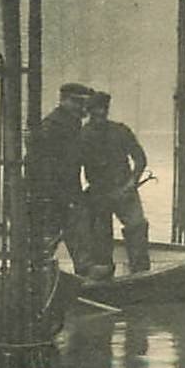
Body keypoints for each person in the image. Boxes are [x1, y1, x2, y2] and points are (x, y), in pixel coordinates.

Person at [78, 90, 151, 277]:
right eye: (96, 110)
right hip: (99, 193)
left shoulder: (121, 131)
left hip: (125, 190)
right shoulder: (82, 136)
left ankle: (141, 273)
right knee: (101, 236)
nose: (100, 114)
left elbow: (140, 159)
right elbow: (73, 166)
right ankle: (104, 276)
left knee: (137, 227)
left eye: (103, 109)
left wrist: (132, 183)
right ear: (89, 112)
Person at [27, 83, 94, 275]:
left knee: (75, 237)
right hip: (53, 194)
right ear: (64, 101)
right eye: (78, 103)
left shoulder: (71, 125)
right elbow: (41, 163)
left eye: (84, 104)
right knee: (52, 239)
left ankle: (81, 275)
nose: (82, 108)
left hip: (65, 192)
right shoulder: (54, 126)